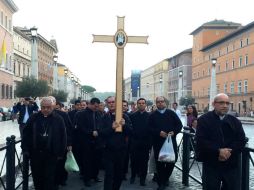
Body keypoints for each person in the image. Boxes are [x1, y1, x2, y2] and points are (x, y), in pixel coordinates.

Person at [196, 93, 246, 190]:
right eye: (221, 103)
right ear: (214, 104)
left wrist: (228, 152)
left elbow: (241, 140)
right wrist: (218, 151)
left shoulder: (235, 121)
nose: (225, 106)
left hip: (231, 164)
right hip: (211, 163)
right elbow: (201, 140)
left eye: (227, 103)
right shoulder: (204, 119)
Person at [21, 97, 67, 190]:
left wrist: (61, 153)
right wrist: (25, 149)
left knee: (49, 179)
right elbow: (26, 134)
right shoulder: (34, 118)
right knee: (37, 178)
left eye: (48, 107)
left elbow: (63, 136)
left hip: (51, 154)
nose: (45, 109)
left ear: (53, 107)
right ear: (40, 107)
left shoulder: (58, 119)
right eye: (43, 107)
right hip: (36, 154)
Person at [149, 96, 183, 190]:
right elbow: (149, 128)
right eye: (158, 102)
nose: (160, 103)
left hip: (171, 142)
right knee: (159, 163)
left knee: (172, 161)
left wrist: (174, 132)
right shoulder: (152, 115)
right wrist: (158, 132)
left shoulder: (171, 113)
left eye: (162, 101)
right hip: (158, 143)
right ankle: (161, 184)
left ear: (165, 103)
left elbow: (179, 125)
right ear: (156, 103)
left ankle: (165, 178)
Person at [99, 96, 132, 190]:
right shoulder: (104, 117)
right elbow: (101, 133)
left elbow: (130, 132)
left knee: (119, 174)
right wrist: (111, 128)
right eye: (109, 102)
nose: (111, 104)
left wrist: (124, 125)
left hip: (121, 151)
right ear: (107, 104)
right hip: (108, 151)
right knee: (109, 174)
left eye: (113, 102)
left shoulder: (124, 116)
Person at [75, 97, 103, 187]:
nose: (96, 108)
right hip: (86, 141)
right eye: (95, 106)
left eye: (97, 106)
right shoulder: (81, 114)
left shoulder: (98, 113)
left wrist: (99, 130)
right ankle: (87, 179)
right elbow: (80, 127)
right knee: (87, 161)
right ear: (90, 104)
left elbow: (100, 124)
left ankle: (95, 176)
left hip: (97, 142)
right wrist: (91, 132)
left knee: (96, 160)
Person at [129, 98, 151, 186]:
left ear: (145, 105)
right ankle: (133, 176)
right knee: (134, 161)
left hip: (145, 143)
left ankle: (143, 179)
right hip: (135, 142)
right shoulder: (132, 116)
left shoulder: (150, 116)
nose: (141, 104)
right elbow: (130, 129)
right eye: (139, 103)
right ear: (137, 105)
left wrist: (149, 143)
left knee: (144, 162)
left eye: (143, 103)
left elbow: (151, 130)